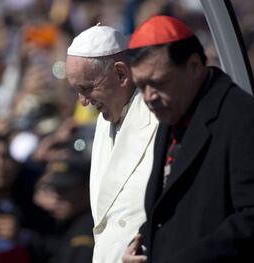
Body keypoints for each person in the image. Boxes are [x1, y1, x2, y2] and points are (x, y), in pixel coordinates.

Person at [122, 15, 254, 263]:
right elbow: (174, 207)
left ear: (194, 66)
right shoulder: (173, 112)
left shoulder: (243, 118)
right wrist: (142, 245)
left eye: (158, 83)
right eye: (141, 85)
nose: (149, 97)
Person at [65, 25, 159, 262]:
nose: (83, 102)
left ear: (120, 74)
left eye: (87, 89)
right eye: (77, 91)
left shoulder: (162, 118)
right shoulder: (103, 123)